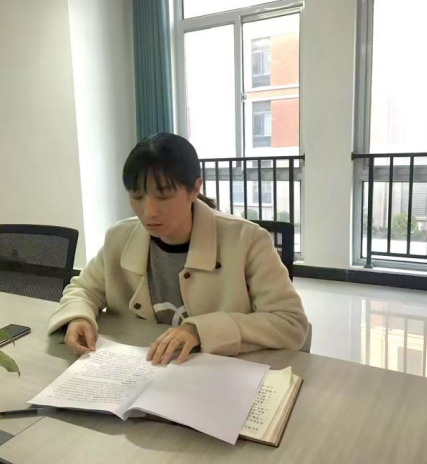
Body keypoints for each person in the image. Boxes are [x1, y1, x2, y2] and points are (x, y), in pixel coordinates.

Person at [48, 133, 308, 365]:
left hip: (219, 374)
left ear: (195, 189)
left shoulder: (247, 240)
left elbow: (290, 323)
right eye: (137, 196)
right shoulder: (119, 237)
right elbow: (83, 290)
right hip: (139, 370)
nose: (149, 211)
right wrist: (79, 317)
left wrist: (199, 331)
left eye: (163, 196)